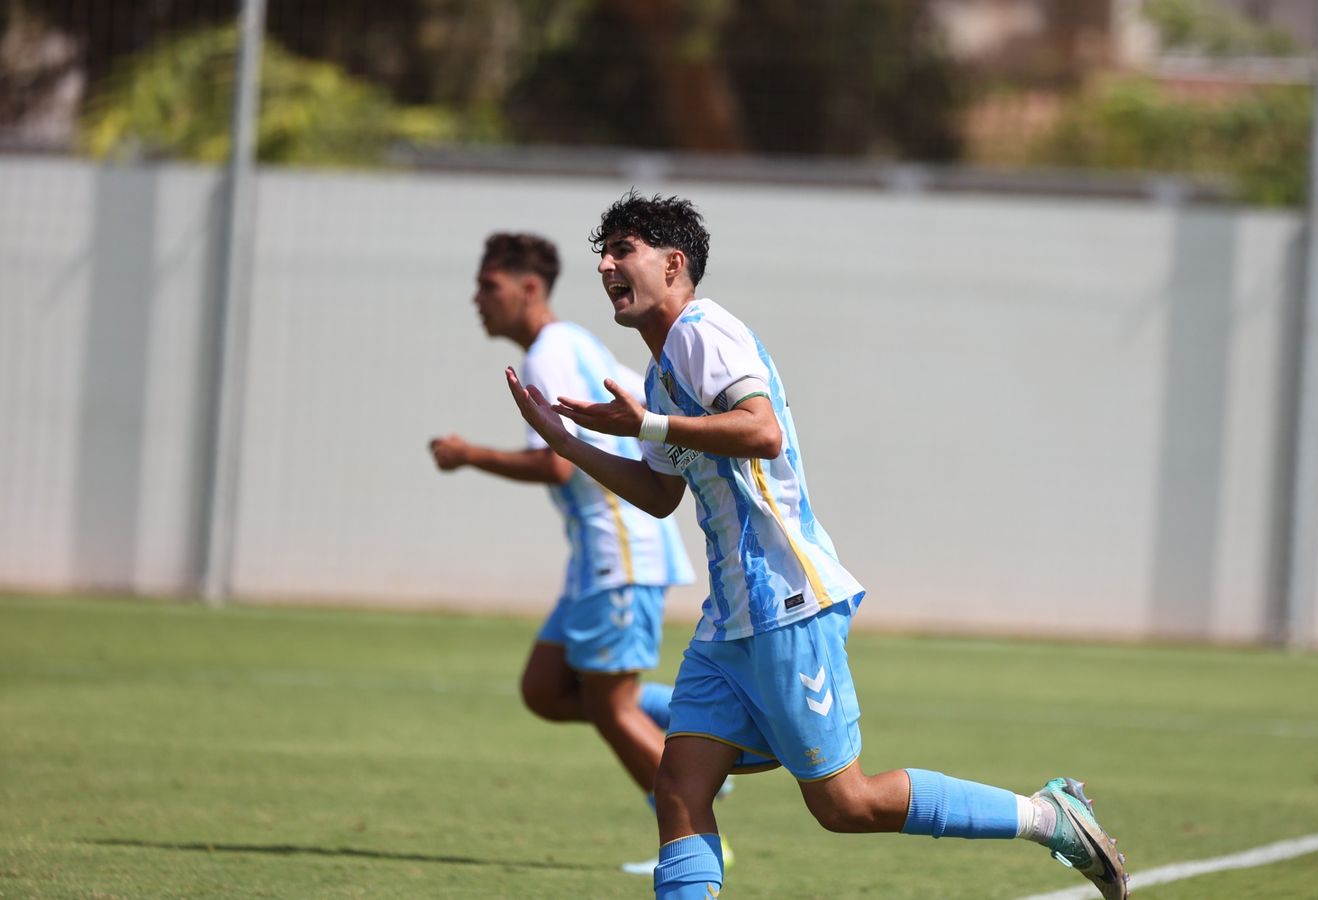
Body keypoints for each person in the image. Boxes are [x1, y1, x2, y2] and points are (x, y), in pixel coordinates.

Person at [503, 193, 1129, 900]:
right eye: (605, 251)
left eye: (624, 248)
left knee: (845, 804)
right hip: (730, 620)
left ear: (673, 263)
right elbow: (658, 494)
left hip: (786, 600)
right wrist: (568, 443)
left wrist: (648, 425)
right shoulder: (661, 369)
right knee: (678, 789)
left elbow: (760, 430)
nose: (605, 263)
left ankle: (1049, 817)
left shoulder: (704, 331)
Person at [431, 231, 714, 873]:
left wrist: (468, 454)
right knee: (545, 688)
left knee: (608, 705)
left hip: (618, 549)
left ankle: (695, 830)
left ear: (529, 289)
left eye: (489, 286)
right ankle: (689, 732)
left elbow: (558, 467)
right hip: (595, 555)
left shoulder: (550, 352)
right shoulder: (567, 345)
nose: (478, 299)